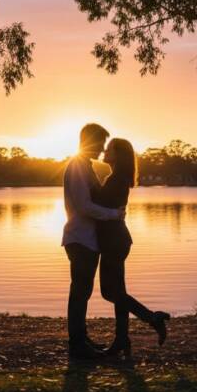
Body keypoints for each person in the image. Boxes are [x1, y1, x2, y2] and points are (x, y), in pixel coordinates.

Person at [95, 138, 170, 357]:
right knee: (117, 292)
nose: (104, 152)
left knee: (109, 292)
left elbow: (98, 204)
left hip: (114, 241)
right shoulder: (117, 177)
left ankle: (152, 318)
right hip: (116, 240)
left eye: (108, 149)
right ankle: (122, 339)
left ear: (118, 154)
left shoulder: (116, 179)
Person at [62, 123, 126, 360]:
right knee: (79, 291)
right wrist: (113, 215)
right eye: (99, 143)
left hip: (88, 240)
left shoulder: (86, 167)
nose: (101, 149)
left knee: (84, 291)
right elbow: (83, 206)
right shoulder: (77, 166)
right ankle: (77, 344)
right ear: (89, 141)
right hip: (79, 239)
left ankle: (82, 339)